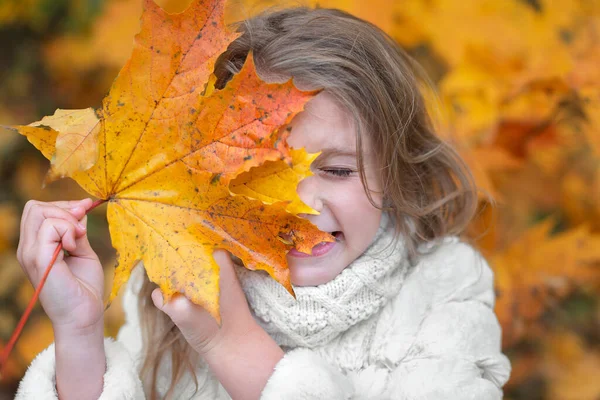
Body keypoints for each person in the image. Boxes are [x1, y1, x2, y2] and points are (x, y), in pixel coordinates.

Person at [14, 6, 511, 400]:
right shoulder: (178, 284)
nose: (300, 205)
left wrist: (228, 340)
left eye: (338, 170)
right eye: (262, 175)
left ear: (397, 171)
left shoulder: (442, 295)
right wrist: (78, 332)